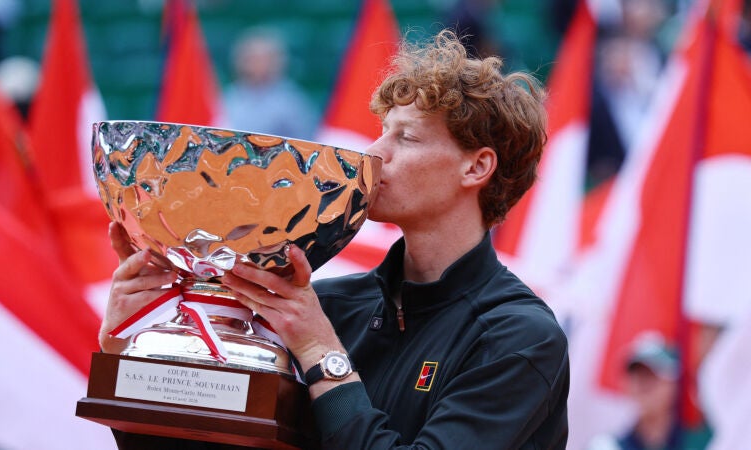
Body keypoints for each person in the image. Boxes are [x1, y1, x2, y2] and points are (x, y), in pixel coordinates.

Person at [100, 29, 569, 449]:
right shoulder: (330, 306)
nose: (374, 153)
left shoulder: (519, 337)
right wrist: (129, 349)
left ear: (476, 167)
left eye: (406, 138)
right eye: (382, 132)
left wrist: (321, 354)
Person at [223, 27, 318, 140]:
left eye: (263, 58)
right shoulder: (228, 96)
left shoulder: (292, 102)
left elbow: (306, 140)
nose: (257, 64)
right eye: (251, 58)